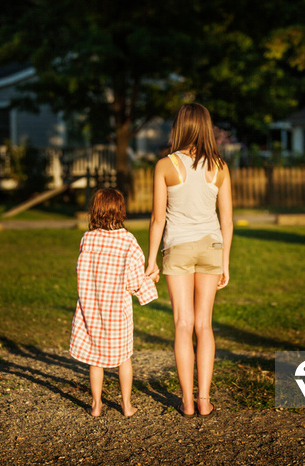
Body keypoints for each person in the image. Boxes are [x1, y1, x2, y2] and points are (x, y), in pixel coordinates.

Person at [145, 103, 234, 418]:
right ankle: (205, 401)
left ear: (179, 126)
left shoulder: (165, 165)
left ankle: (185, 402)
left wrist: (151, 261)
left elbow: (157, 218)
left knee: (183, 324)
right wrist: (225, 262)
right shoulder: (220, 167)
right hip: (211, 246)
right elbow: (227, 221)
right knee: (204, 325)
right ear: (207, 128)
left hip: (178, 248)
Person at [70, 188, 159, 417]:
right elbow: (133, 282)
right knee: (124, 359)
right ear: (121, 211)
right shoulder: (127, 241)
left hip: (91, 308)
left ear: (95, 211)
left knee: (95, 360)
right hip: (117, 311)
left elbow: (84, 272)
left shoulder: (87, 239)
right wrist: (151, 280)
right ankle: (126, 406)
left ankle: (97, 405)